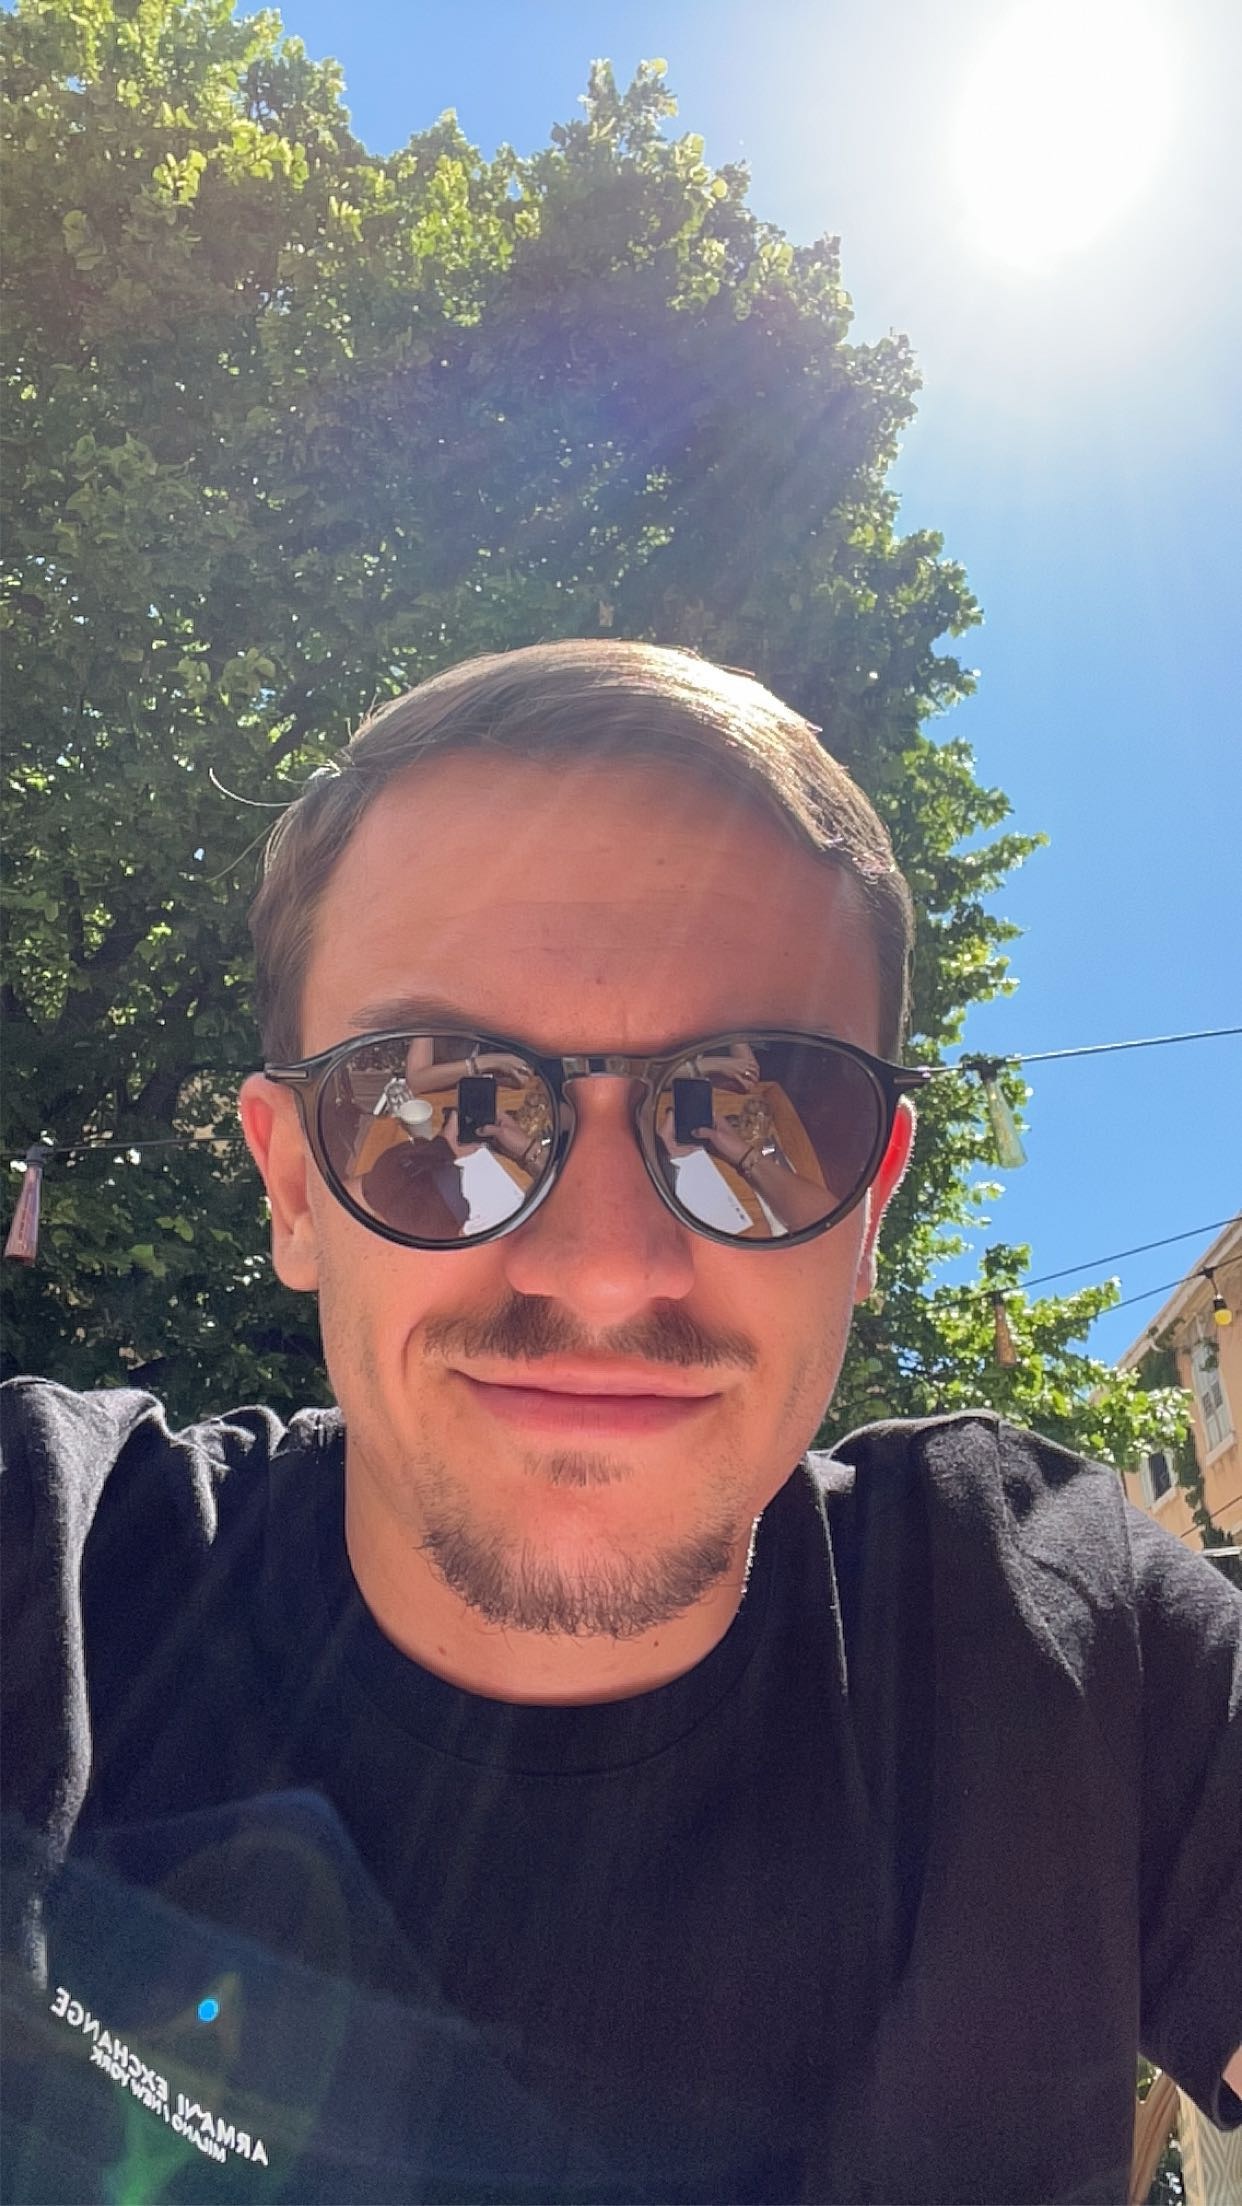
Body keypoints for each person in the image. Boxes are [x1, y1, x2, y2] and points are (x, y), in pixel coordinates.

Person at [1, 640, 1239, 2206]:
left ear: (868, 1202)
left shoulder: (1062, 1645)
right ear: (294, 1182)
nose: (600, 1270)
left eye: (746, 1118)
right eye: (445, 1109)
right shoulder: (47, 1569)